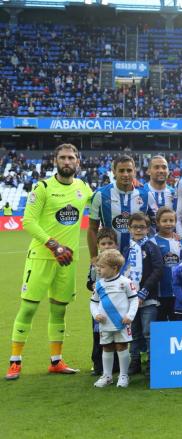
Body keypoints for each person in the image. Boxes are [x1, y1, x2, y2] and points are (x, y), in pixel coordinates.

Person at [6, 144, 93, 381]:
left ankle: (56, 361)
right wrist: (54, 245)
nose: (67, 161)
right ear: (55, 160)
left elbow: (100, 205)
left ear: (78, 162)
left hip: (67, 261)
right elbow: (29, 221)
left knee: (59, 310)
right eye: (63, 157)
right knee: (29, 308)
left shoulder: (83, 188)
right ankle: (15, 362)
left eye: (71, 158)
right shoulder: (42, 187)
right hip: (43, 257)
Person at [88, 155, 158, 256]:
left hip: (138, 259)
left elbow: (157, 224)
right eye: (121, 171)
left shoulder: (146, 195)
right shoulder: (100, 194)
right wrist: (94, 257)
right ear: (114, 172)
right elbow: (92, 228)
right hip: (109, 258)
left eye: (129, 170)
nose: (125, 174)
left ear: (134, 171)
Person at [89, 249, 139, 388]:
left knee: (121, 346)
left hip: (121, 322)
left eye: (102, 267)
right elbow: (94, 302)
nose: (98, 270)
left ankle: (123, 375)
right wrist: (96, 314)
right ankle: (107, 376)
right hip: (105, 323)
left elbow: (134, 300)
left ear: (114, 268)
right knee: (106, 347)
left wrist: (129, 316)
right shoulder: (99, 285)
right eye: (98, 267)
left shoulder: (126, 282)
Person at [122, 213, 163, 377]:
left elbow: (158, 270)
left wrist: (143, 292)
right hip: (129, 299)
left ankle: (152, 364)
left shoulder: (152, 247)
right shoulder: (126, 248)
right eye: (135, 227)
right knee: (134, 331)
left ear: (148, 229)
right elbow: (121, 271)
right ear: (129, 228)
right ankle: (135, 361)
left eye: (142, 227)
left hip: (149, 297)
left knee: (148, 332)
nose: (138, 230)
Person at [86, 227, 119, 376]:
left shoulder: (119, 261)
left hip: (117, 306)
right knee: (98, 334)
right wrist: (92, 285)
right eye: (103, 243)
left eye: (110, 243)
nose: (107, 246)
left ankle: (117, 365)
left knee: (117, 334)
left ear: (115, 245)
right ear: (98, 245)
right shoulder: (95, 263)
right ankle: (98, 365)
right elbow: (89, 281)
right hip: (99, 307)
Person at [150, 207, 182, 322]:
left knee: (176, 325)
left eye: (171, 221)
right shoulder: (152, 242)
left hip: (177, 292)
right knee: (160, 323)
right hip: (159, 292)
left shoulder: (180, 241)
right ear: (157, 222)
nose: (168, 224)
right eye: (164, 221)